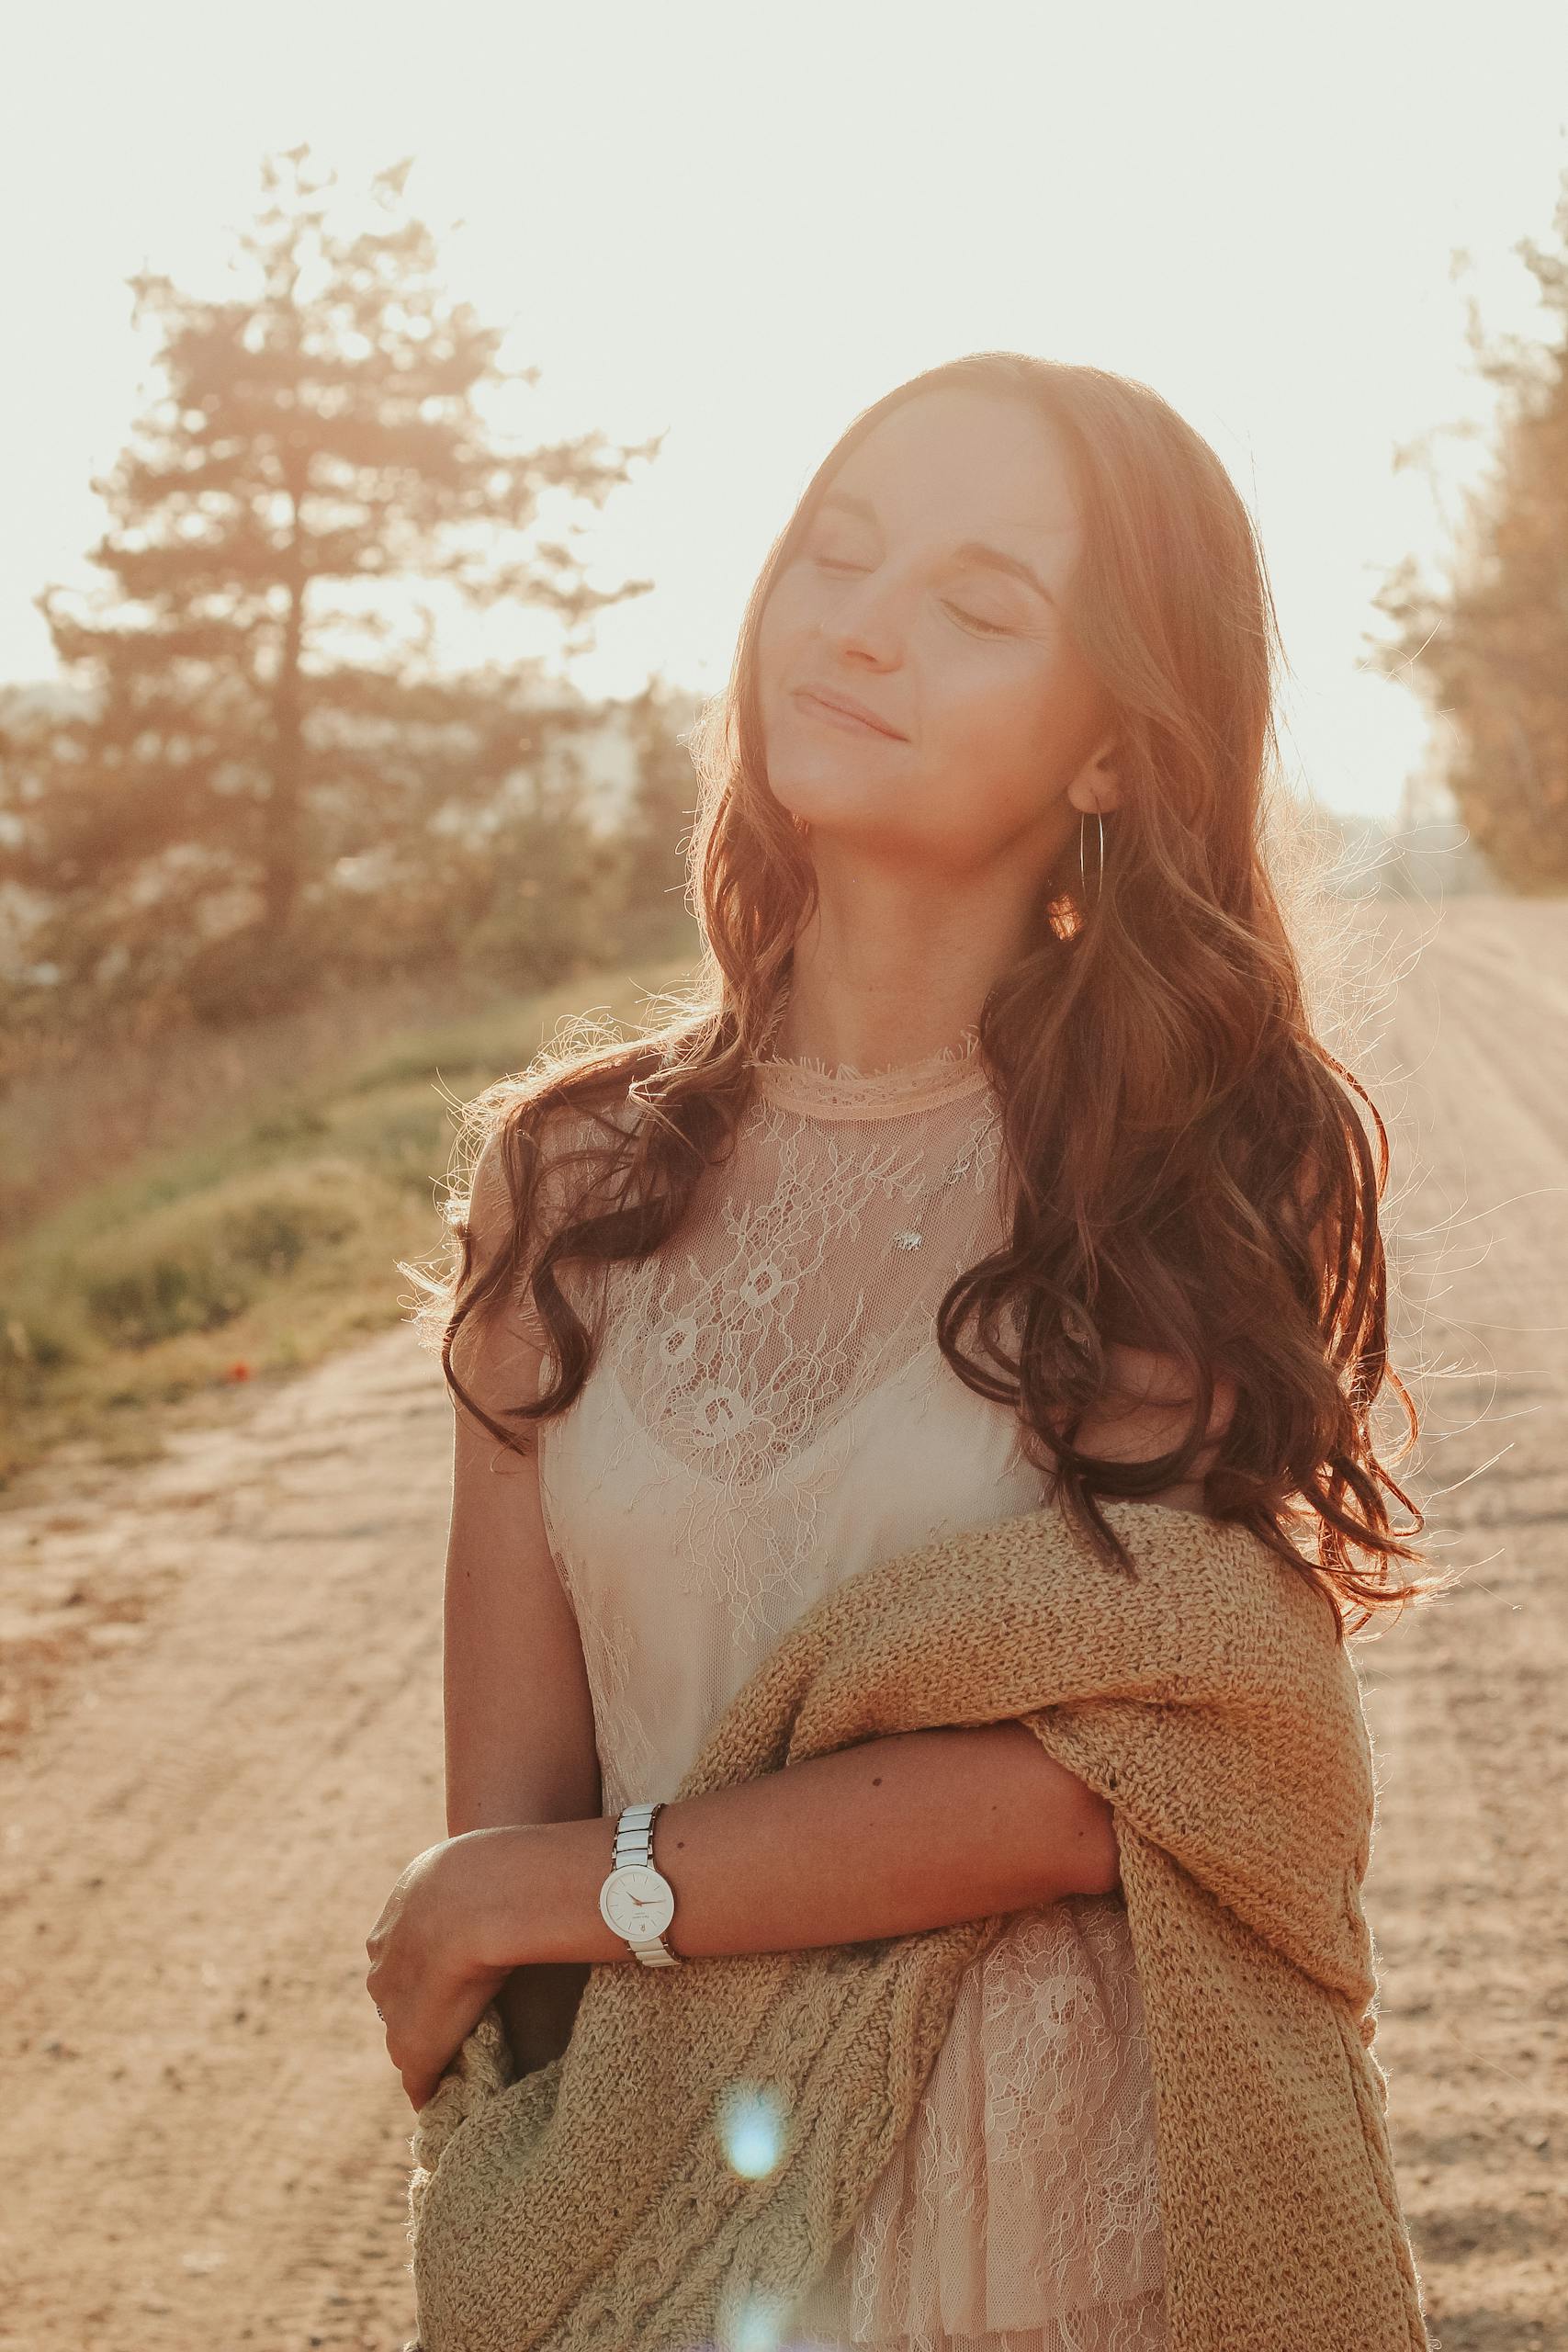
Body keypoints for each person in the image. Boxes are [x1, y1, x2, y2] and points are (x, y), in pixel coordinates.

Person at [373, 352, 1429, 2351]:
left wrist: (566, 1888)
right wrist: (523, 1929)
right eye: (836, 554)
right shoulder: (564, 1180)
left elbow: (1116, 1768)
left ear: (1110, 748)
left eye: (976, 603)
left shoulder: (1187, 1155)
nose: (860, 625)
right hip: (682, 2245)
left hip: (1065, 2255)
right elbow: (515, 1817)